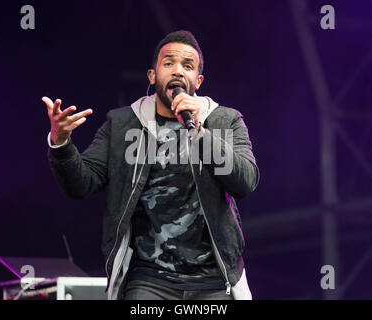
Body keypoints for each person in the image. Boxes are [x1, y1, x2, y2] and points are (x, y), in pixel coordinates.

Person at [43, 30, 259, 300]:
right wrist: (61, 143)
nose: (178, 71)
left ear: (198, 81)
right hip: (149, 279)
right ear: (152, 75)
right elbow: (82, 183)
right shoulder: (122, 124)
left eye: (187, 66)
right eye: (168, 63)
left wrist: (201, 134)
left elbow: (245, 181)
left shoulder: (225, 120)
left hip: (213, 280)